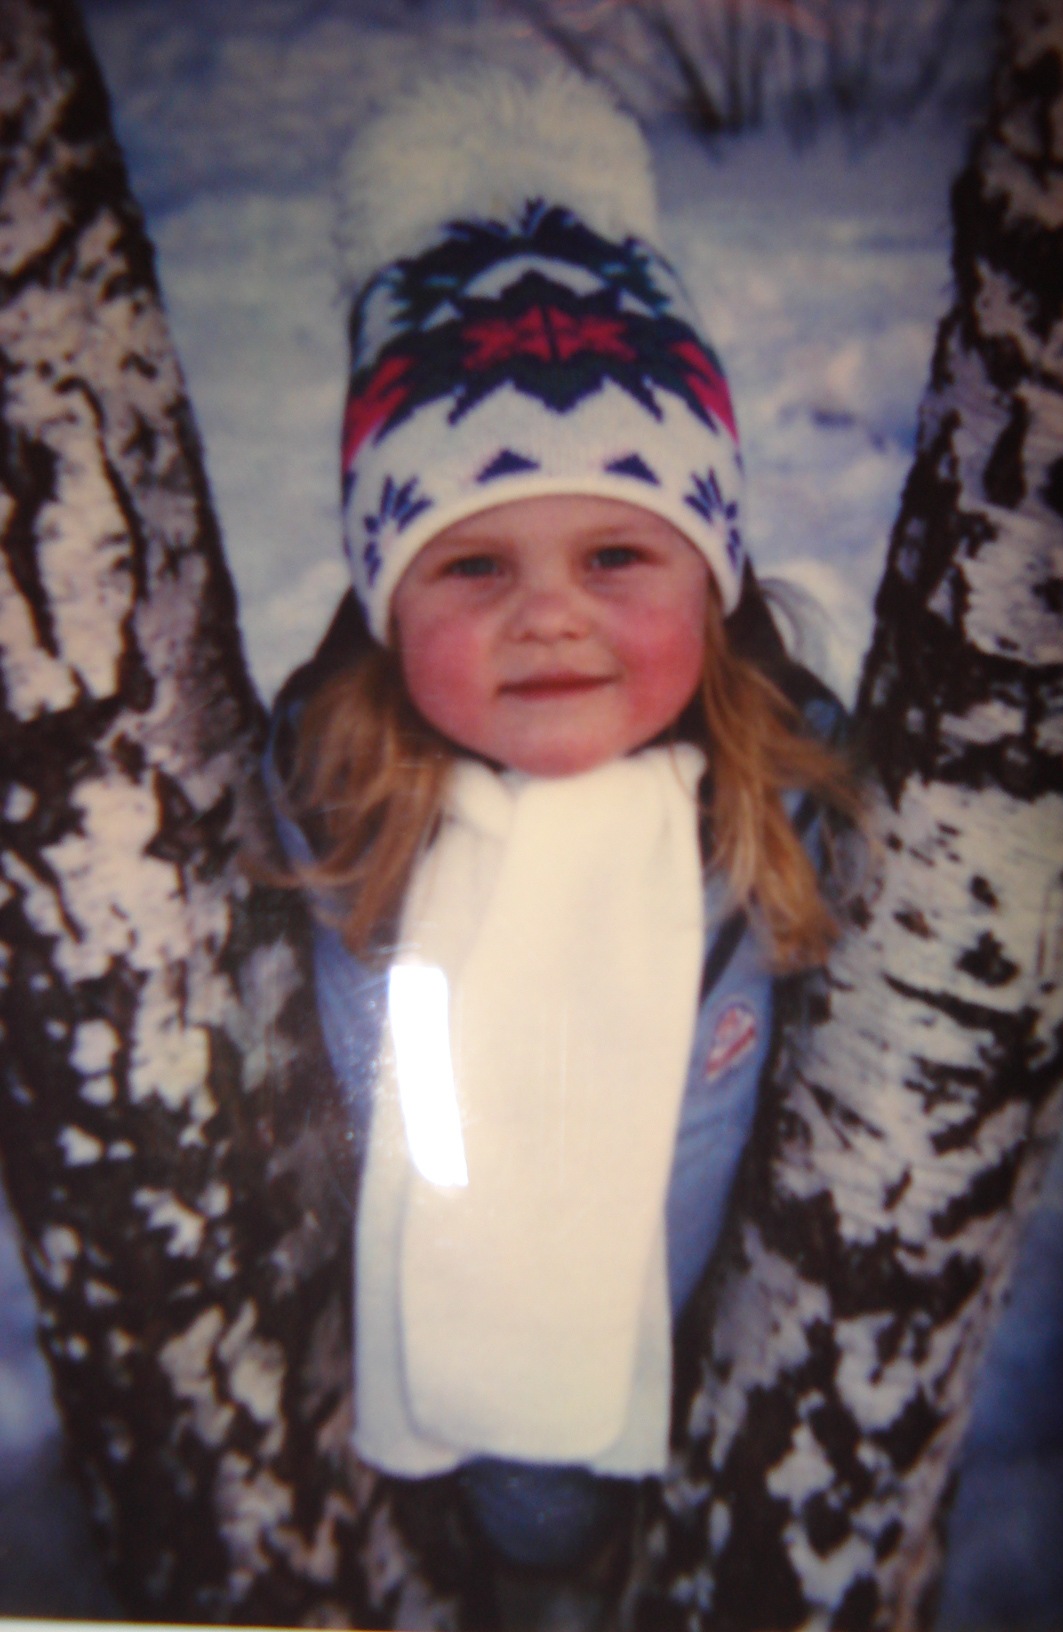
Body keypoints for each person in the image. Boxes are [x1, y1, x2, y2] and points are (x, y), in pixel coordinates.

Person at [265, 61, 859, 1598]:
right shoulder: (345, 798)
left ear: (713, 582)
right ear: (384, 606)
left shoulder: (780, 790)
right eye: (472, 568)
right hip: (455, 1359)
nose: (549, 617)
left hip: (716, 1342)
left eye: (615, 555)